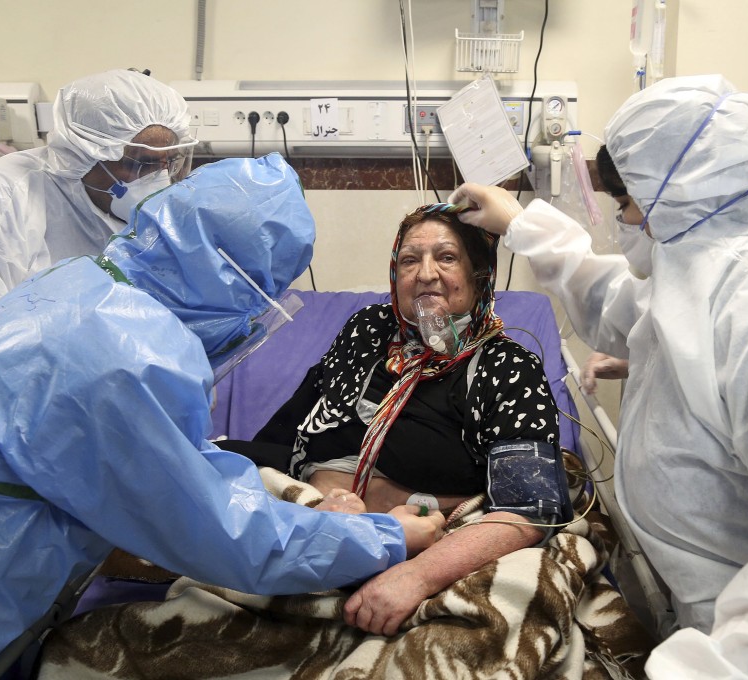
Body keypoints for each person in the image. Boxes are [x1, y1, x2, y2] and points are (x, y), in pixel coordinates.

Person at [0, 155, 445, 680]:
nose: (254, 318)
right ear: (227, 275)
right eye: (261, 296)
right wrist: (382, 536)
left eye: (448, 258)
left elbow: (176, 469)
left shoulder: (84, 282)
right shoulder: (129, 356)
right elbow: (223, 529)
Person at [448, 74, 748, 679]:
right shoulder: (717, 276)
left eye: (626, 203)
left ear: (678, 194)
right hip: (712, 627)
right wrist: (521, 224)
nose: (624, 220)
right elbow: (629, 306)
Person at [233, 203, 574, 637]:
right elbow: (294, 428)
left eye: (446, 258)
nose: (426, 273)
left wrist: (416, 576)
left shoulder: (507, 365)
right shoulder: (367, 329)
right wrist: (288, 497)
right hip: (308, 525)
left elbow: (530, 509)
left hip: (419, 545)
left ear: (479, 277)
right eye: (409, 260)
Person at [0, 68, 199, 382]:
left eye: (170, 162)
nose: (158, 179)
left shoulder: (142, 216)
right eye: (137, 162)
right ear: (85, 154)